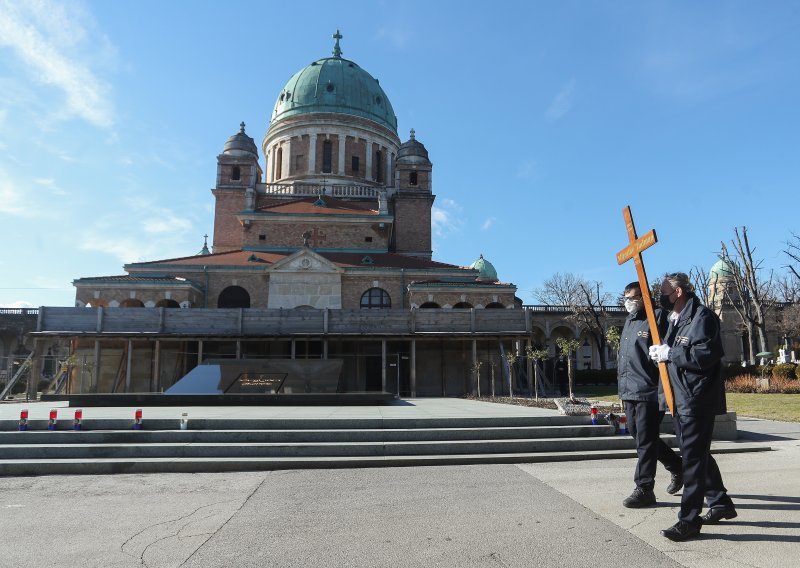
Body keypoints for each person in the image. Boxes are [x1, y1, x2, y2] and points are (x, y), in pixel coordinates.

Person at [649, 272, 737, 542]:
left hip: (695, 399)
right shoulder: (674, 320)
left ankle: (688, 520)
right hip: (680, 398)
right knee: (696, 453)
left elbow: (705, 355)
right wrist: (661, 356)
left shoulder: (701, 317)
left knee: (693, 460)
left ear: (678, 292)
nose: (659, 296)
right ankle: (720, 503)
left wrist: (670, 353)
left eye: (663, 291)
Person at [617, 281, 683, 508]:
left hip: (649, 390)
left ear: (644, 297)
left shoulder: (658, 318)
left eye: (632, 298)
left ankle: (644, 488)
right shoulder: (629, 321)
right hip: (629, 391)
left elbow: (668, 349)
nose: (628, 303)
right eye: (625, 298)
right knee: (641, 437)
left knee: (645, 440)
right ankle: (677, 466)